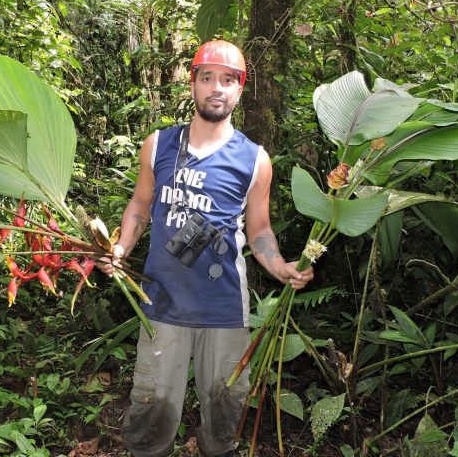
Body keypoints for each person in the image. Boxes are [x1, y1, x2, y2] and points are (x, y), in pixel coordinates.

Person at [100, 40, 314, 457]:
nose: (217, 87)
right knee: (153, 408)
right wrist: (120, 247)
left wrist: (280, 267)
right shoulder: (159, 144)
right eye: (208, 78)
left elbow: (259, 231)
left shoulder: (255, 160)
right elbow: (140, 205)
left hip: (224, 311)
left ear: (239, 90)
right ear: (194, 84)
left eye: (228, 80)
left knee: (224, 408)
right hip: (162, 304)